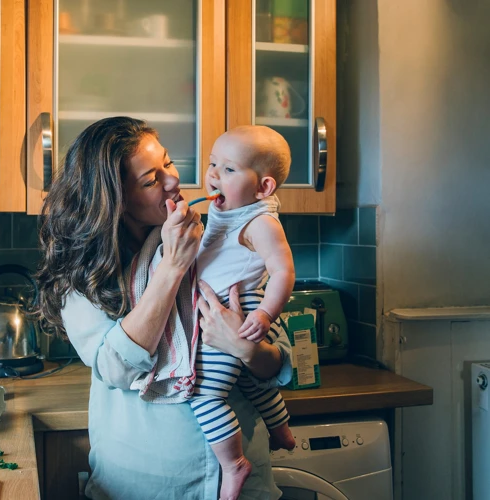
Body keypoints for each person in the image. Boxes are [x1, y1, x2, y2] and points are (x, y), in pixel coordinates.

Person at [34, 116, 292, 499]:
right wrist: (171, 268)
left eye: (168, 163)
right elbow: (115, 369)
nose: (173, 181)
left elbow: (281, 361)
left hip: (242, 487)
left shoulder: (213, 235)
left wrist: (247, 348)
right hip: (144, 486)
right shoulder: (83, 277)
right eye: (151, 180)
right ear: (117, 201)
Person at [187, 126, 297, 499]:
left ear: (263, 188)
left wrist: (265, 315)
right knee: (249, 383)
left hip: (243, 309)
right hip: (229, 308)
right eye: (212, 164)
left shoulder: (260, 222)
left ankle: (233, 464)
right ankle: (281, 429)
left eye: (229, 170)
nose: (214, 175)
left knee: (204, 394)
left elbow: (283, 271)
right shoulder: (231, 211)